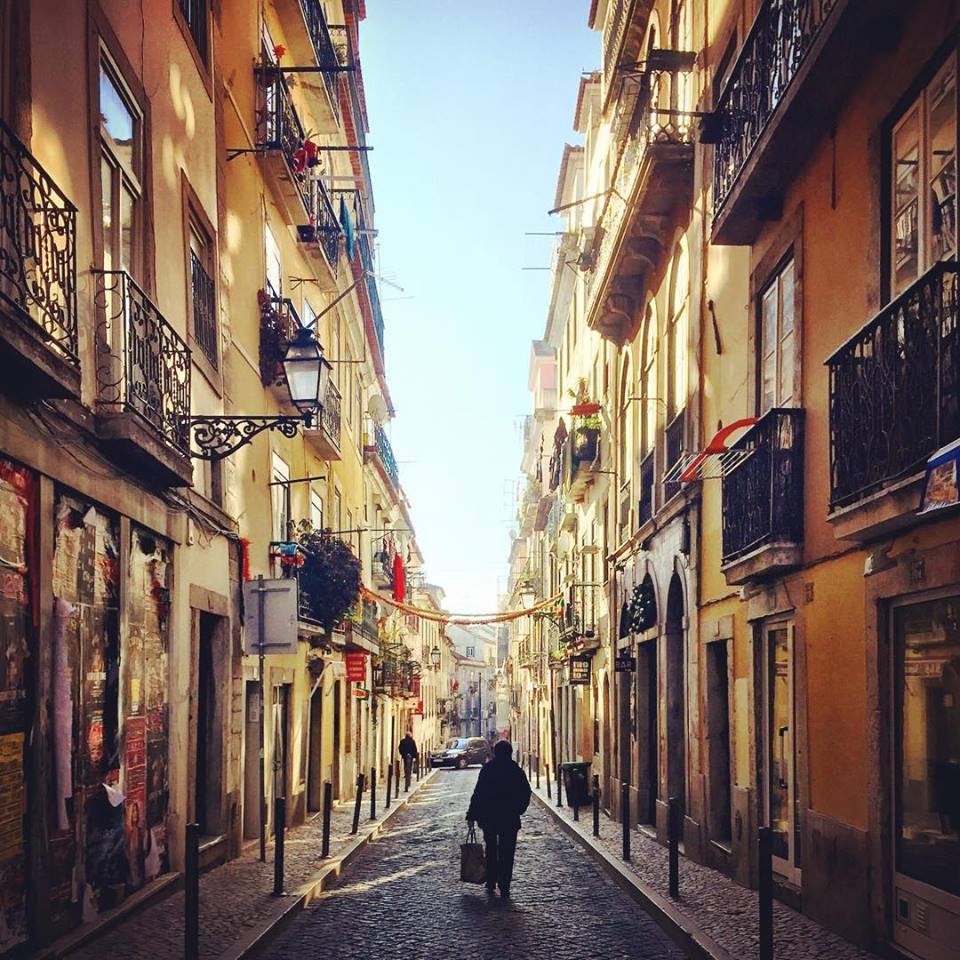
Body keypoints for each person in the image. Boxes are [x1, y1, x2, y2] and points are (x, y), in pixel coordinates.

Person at [466, 739, 531, 897]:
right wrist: (518, 810)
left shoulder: (488, 769)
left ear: (495, 753)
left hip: (489, 817)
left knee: (491, 849)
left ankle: (492, 879)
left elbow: (478, 793)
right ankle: (505, 884)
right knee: (507, 851)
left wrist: (472, 814)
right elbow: (526, 792)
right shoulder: (515, 770)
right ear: (509, 753)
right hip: (509, 818)